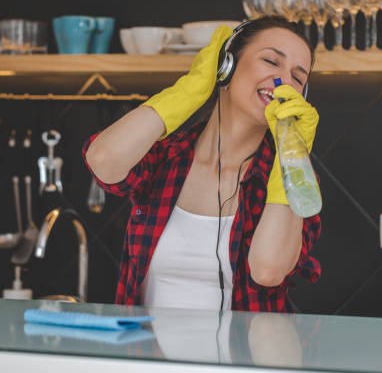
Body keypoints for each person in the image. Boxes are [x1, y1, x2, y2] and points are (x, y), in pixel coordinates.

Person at [83, 16, 321, 312]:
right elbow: (102, 161)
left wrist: (292, 152)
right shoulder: (165, 157)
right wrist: (191, 88)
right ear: (226, 67)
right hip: (143, 356)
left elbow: (268, 271)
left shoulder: (294, 179)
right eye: (272, 61)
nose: (283, 81)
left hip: (249, 358)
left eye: (298, 78)